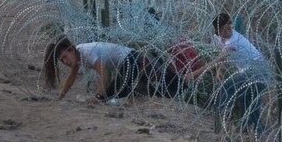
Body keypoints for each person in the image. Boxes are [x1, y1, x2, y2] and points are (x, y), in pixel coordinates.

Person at [44, 36, 213, 102]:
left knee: (168, 85)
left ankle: (200, 81)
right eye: (61, 60)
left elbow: (105, 73)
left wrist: (97, 96)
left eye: (64, 57)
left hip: (134, 61)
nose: (64, 62)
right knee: (164, 85)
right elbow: (71, 77)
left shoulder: (86, 52)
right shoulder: (79, 55)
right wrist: (61, 96)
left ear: (71, 50)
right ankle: (189, 89)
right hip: (132, 63)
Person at [211, 13, 271, 133]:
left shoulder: (232, 42)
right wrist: (219, 70)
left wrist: (193, 74)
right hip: (256, 71)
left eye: (229, 28)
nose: (228, 32)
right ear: (217, 30)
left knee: (226, 88)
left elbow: (222, 56)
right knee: (248, 102)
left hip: (257, 70)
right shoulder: (220, 37)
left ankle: (215, 119)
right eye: (224, 30)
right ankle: (255, 131)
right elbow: (223, 54)